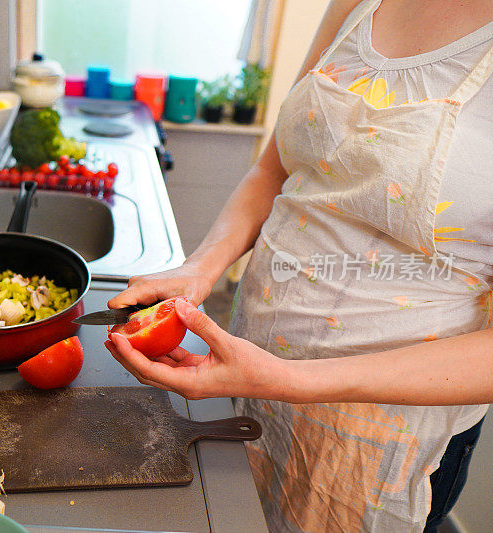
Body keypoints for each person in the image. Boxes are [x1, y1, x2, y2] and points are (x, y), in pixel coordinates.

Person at [104, 0, 493, 531]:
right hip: (250, 365)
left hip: (374, 429)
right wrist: (200, 267)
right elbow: (273, 171)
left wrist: (288, 379)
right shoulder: (359, 4)